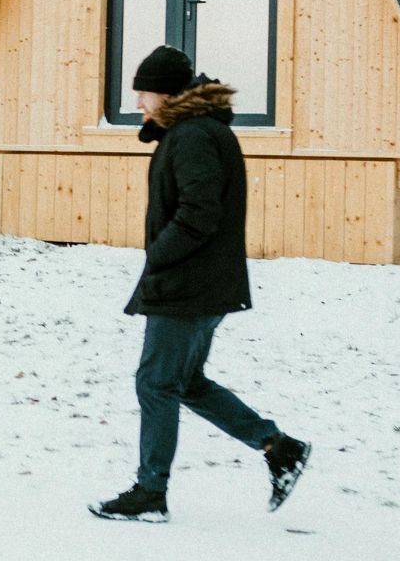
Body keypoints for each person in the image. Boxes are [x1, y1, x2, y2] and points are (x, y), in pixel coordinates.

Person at [90, 45, 309, 523]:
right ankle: (278, 446)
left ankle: (151, 492)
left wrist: (159, 255)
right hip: (204, 282)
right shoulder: (195, 132)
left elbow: (199, 211)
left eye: (143, 95)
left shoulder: (191, 137)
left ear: (165, 94)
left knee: (156, 382)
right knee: (184, 383)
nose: (139, 106)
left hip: (188, 284)